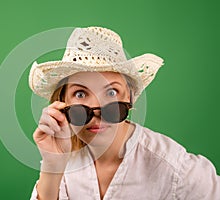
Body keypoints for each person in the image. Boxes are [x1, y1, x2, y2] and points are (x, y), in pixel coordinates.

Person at [28, 27, 220, 200]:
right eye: (80, 93)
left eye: (111, 92)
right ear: (62, 102)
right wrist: (52, 165)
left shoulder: (172, 165)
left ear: (130, 98)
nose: (97, 111)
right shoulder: (63, 155)